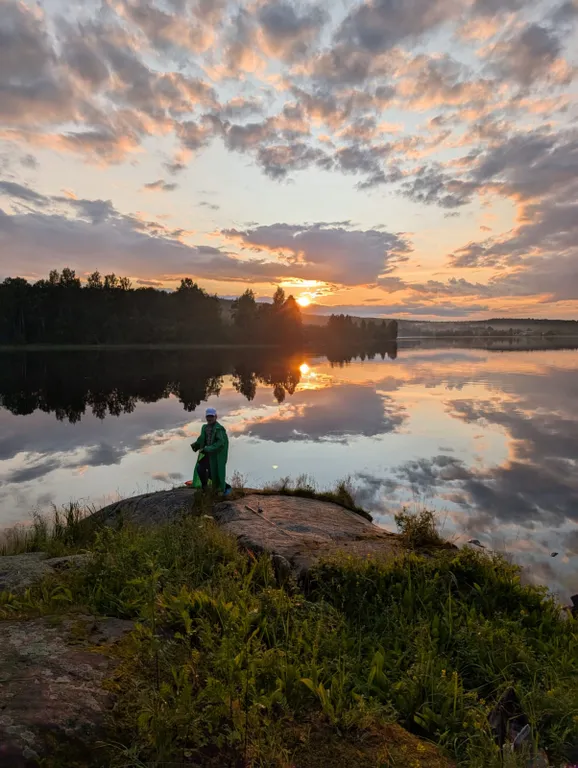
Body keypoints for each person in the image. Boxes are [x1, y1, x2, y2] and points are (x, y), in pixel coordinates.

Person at [191, 407, 230, 494]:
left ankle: (222, 487)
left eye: (211, 416)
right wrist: (195, 445)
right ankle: (205, 487)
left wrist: (208, 448)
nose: (209, 418)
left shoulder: (219, 429)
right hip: (208, 455)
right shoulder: (205, 427)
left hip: (216, 456)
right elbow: (202, 439)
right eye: (208, 416)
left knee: (215, 472)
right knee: (200, 468)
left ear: (216, 417)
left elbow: (221, 443)